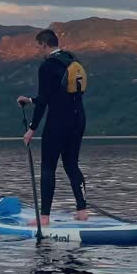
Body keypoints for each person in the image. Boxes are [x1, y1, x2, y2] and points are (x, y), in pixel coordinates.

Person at [17, 28, 90, 226]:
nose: (38, 51)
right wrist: (30, 100)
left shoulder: (47, 66)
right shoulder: (72, 60)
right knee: (71, 164)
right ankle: (82, 211)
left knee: (48, 167)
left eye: (38, 46)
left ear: (44, 44)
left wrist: (31, 129)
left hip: (58, 121)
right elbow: (54, 96)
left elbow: (45, 103)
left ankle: (44, 217)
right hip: (78, 119)